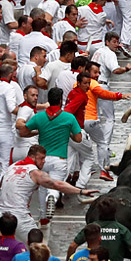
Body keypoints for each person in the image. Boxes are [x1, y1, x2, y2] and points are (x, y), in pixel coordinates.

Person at [17, 88, 85, 221]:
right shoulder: (69, 117)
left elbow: (23, 133)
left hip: (42, 159)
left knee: (43, 187)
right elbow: (78, 138)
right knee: (55, 184)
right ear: (60, 101)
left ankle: (43, 217)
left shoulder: (39, 116)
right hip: (60, 159)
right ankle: (52, 197)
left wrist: (37, 132)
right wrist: (68, 133)